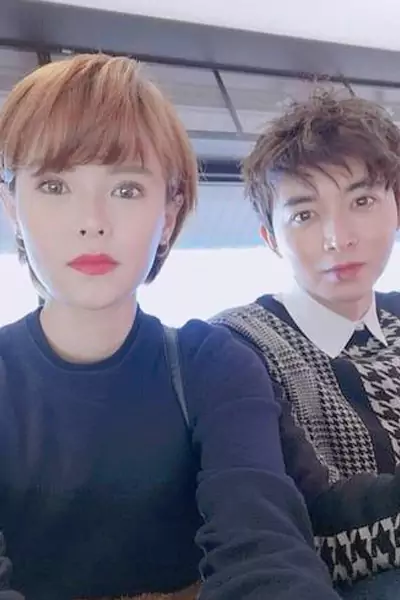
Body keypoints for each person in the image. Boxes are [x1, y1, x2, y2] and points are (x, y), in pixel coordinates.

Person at [0, 54, 341, 600]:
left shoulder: (215, 365)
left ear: (170, 211)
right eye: (55, 185)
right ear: (12, 204)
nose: (92, 221)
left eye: (127, 189)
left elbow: (265, 549)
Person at [211, 88, 400, 598]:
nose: (339, 237)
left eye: (362, 201)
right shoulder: (237, 346)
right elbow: (309, 526)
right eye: (304, 214)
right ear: (270, 238)